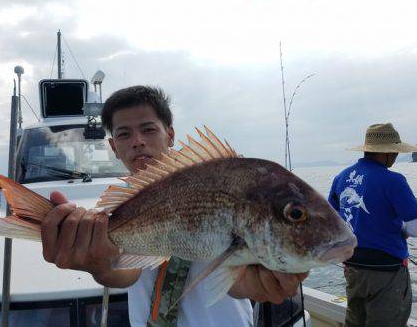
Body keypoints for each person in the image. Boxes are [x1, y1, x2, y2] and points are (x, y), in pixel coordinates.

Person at [41, 86, 307, 326]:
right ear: (113, 147)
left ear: (170, 135)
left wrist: (256, 281)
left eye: (148, 129)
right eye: (124, 134)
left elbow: (235, 279)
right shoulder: (120, 205)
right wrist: (98, 265)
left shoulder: (218, 182)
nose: (137, 141)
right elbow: (127, 272)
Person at [328, 123, 417, 327]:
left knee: (355, 321)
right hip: (386, 271)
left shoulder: (341, 178)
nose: (395, 156)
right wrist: (403, 230)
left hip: (352, 267)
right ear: (385, 153)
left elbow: (329, 221)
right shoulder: (393, 180)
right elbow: (415, 226)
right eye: (394, 151)